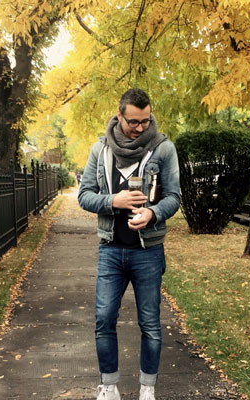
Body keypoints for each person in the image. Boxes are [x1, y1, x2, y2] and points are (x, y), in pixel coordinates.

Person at [78, 88, 180, 400]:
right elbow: (84, 195)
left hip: (148, 252)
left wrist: (153, 213)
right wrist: (114, 201)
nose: (140, 128)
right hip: (110, 249)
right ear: (120, 115)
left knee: (149, 323)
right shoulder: (101, 149)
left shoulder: (162, 149)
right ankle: (109, 386)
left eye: (145, 121)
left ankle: (147, 389)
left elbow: (174, 197)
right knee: (104, 319)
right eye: (133, 122)